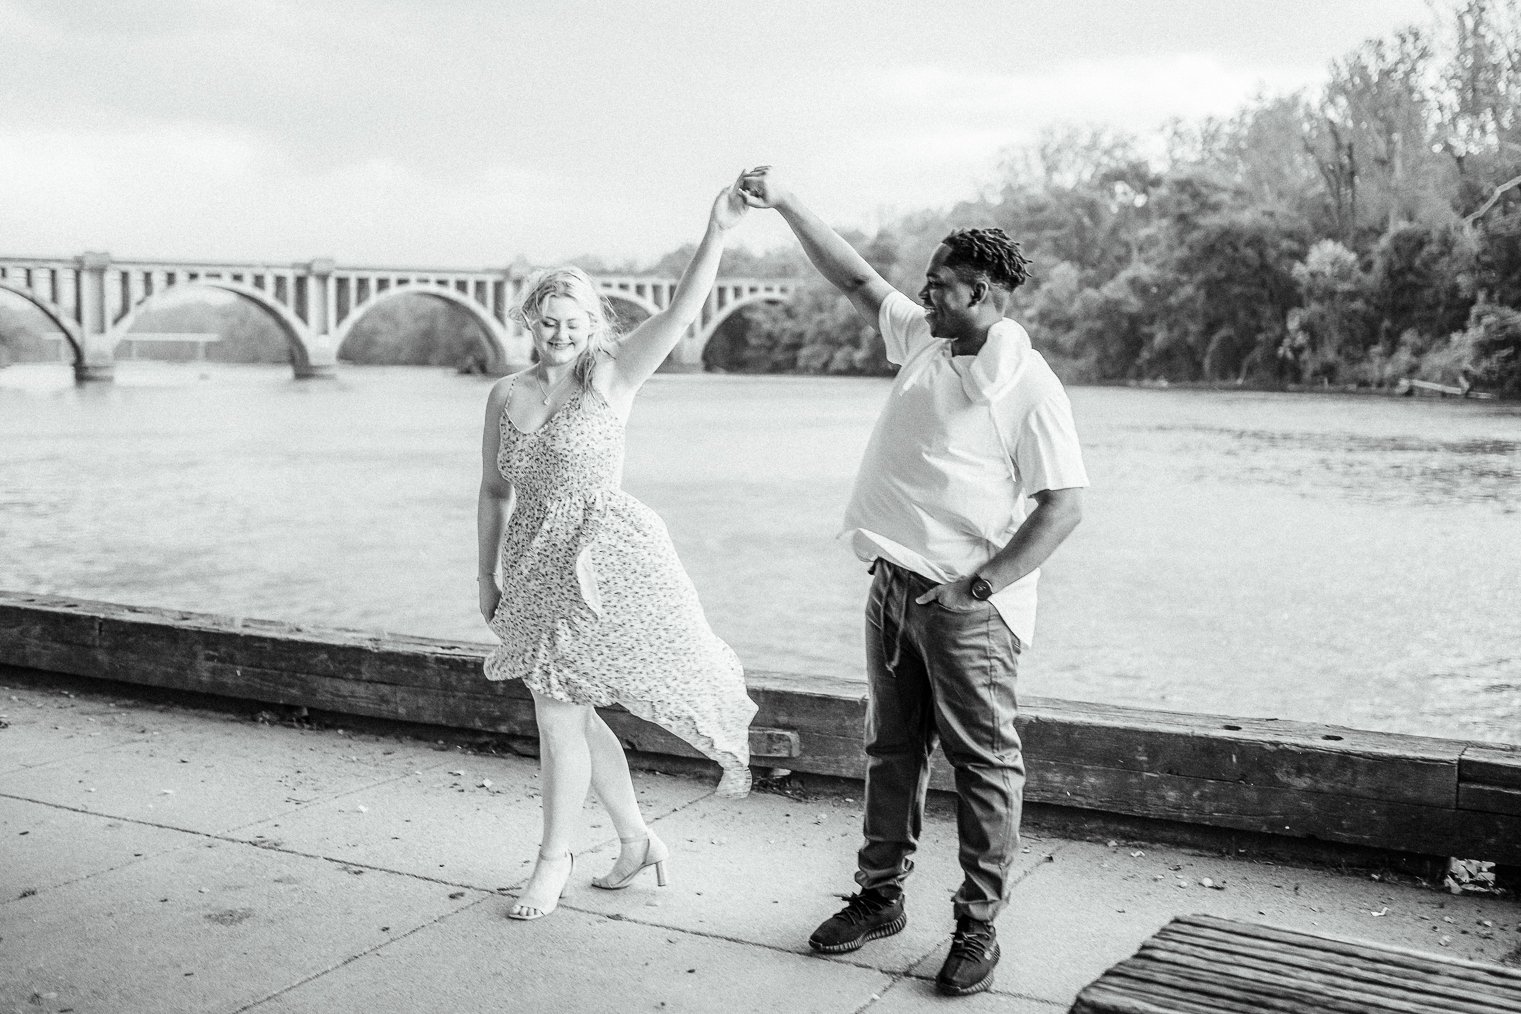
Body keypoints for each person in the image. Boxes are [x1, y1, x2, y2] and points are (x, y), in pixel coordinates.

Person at [741, 167, 1088, 996]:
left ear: (984, 293)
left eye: (941, 288)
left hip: (966, 609)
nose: (924, 296)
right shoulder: (927, 344)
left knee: (983, 765)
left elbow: (1064, 505)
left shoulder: (1028, 387)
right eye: (928, 285)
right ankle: (879, 897)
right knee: (890, 750)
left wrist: (980, 587)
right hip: (892, 589)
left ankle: (976, 929)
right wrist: (787, 200)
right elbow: (855, 277)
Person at [477, 175, 758, 921]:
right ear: (527, 321)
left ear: (592, 322)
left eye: (572, 321)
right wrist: (484, 577)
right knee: (568, 707)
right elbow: (491, 492)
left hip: (598, 564)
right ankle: (636, 840)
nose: (560, 333)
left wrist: (718, 230)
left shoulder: (612, 375)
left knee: (557, 714)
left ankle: (552, 861)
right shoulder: (505, 396)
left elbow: (681, 309)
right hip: (529, 563)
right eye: (547, 322)